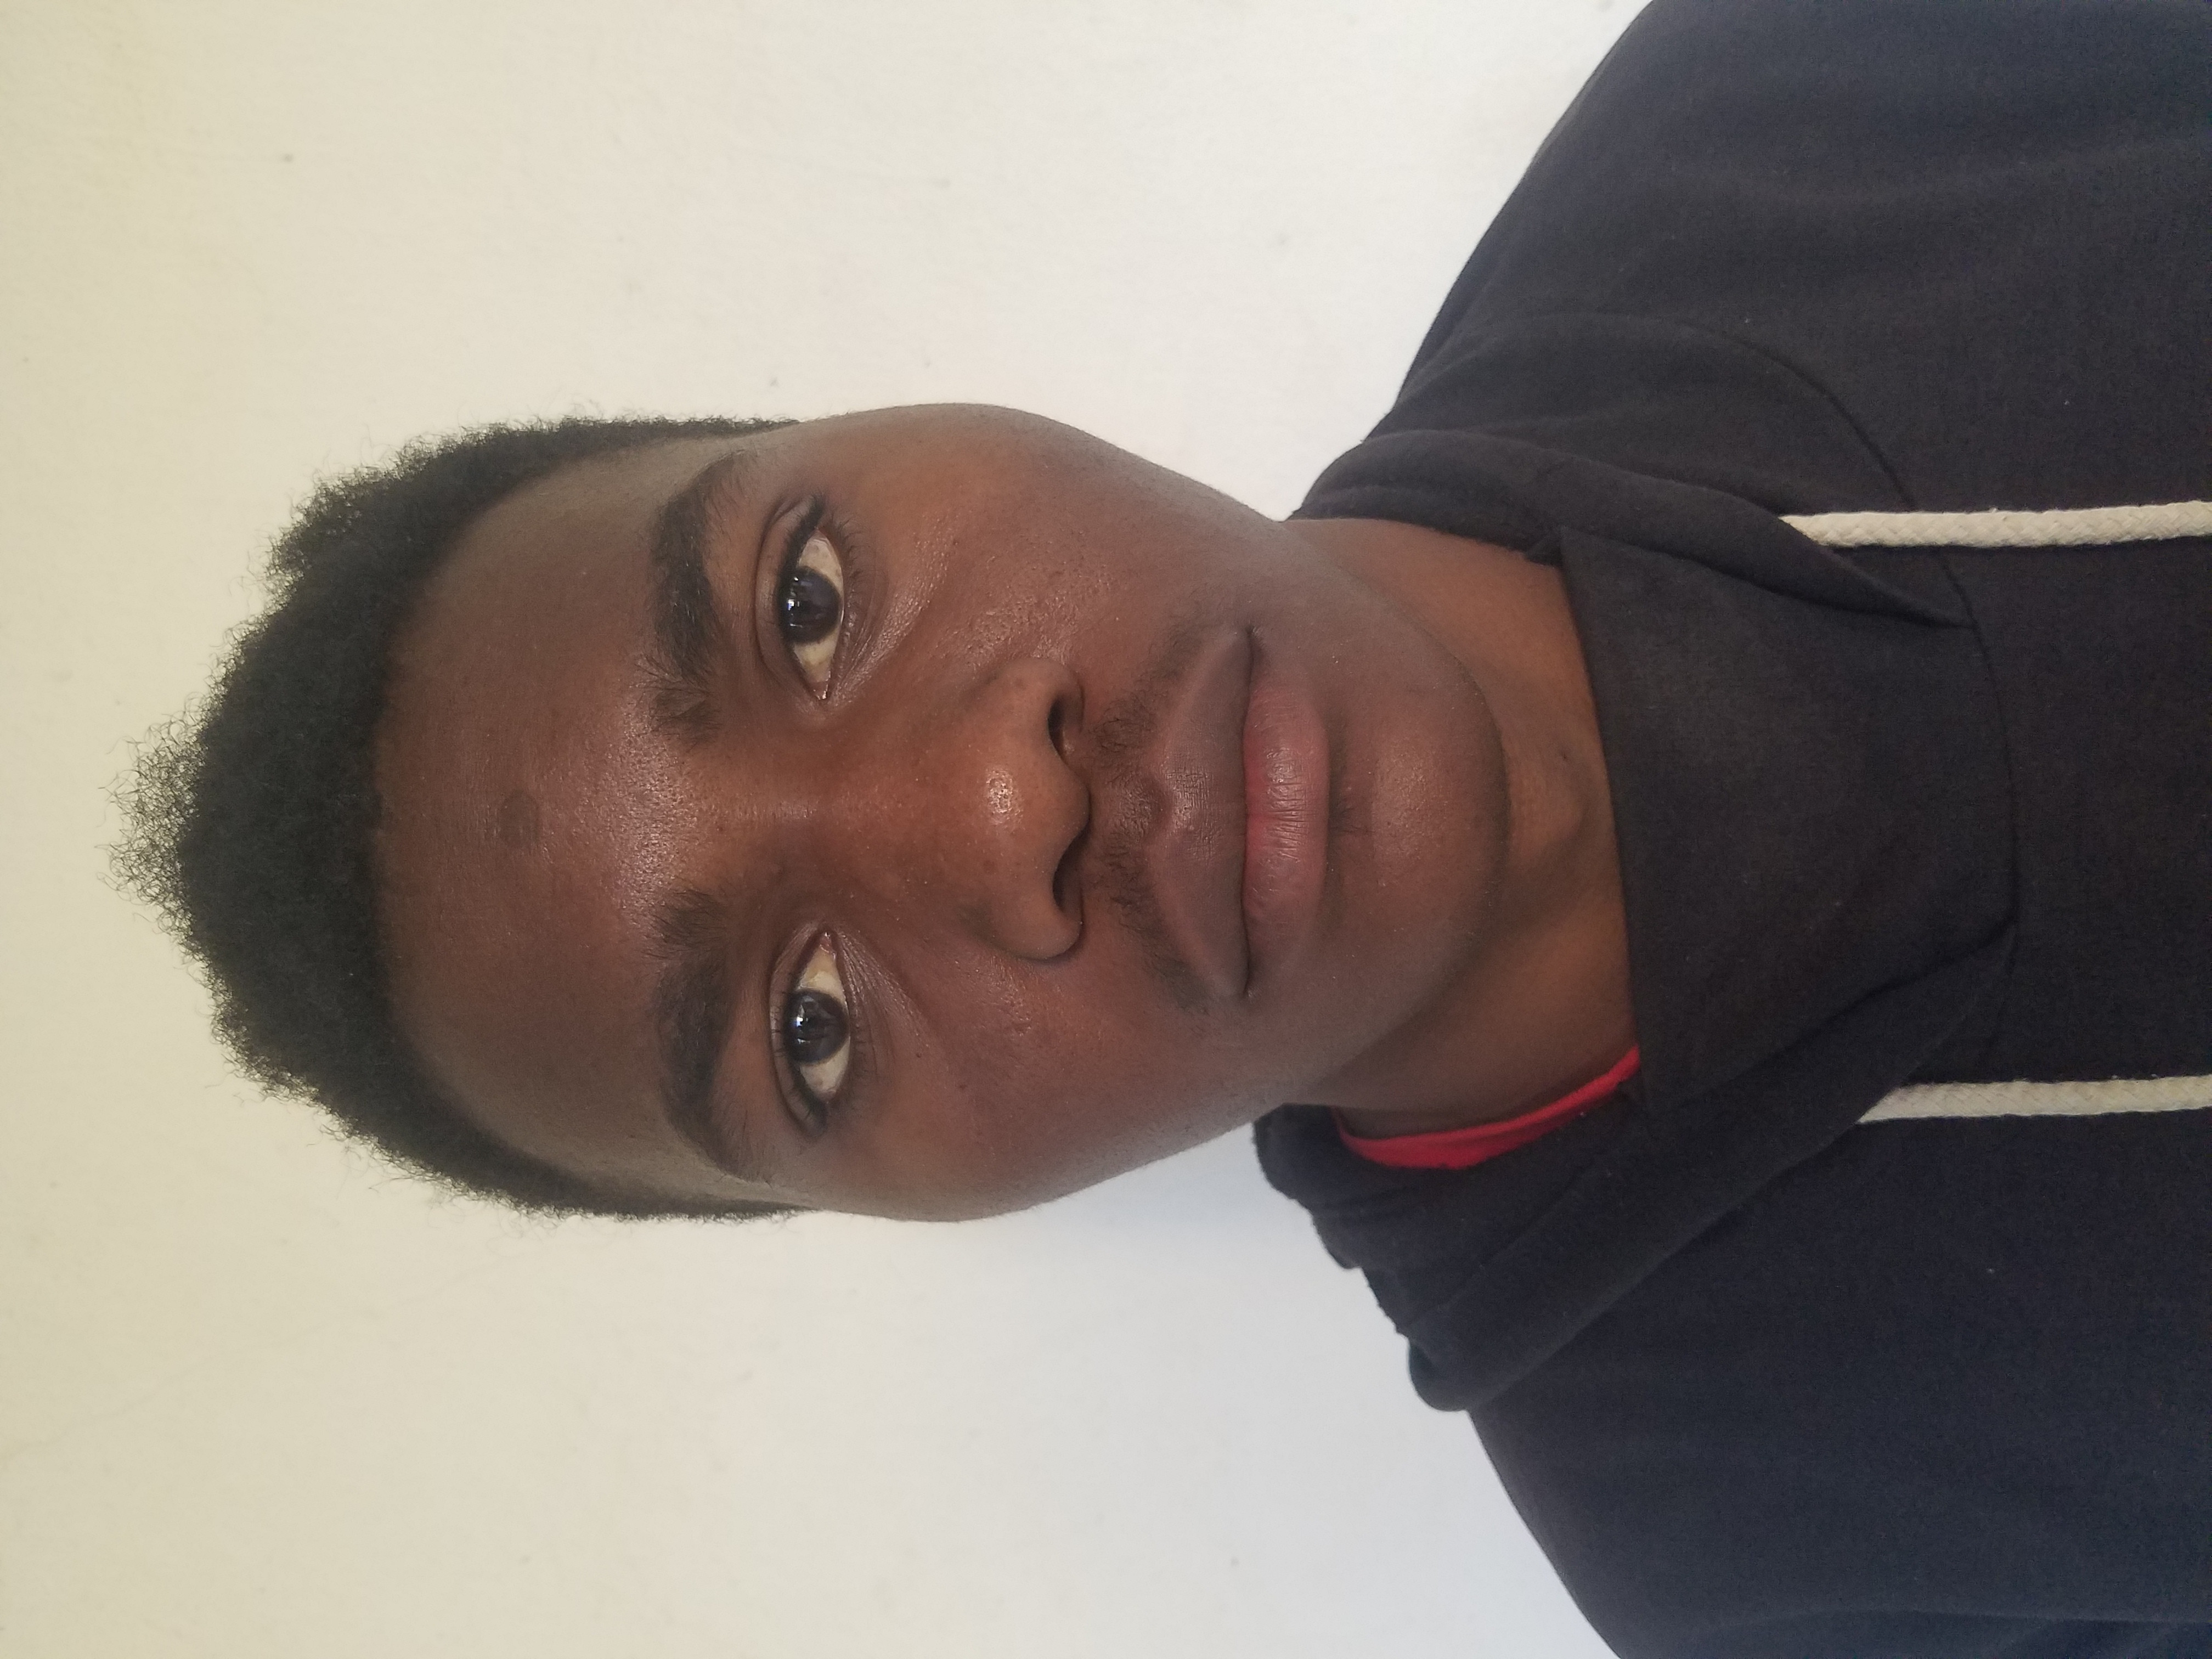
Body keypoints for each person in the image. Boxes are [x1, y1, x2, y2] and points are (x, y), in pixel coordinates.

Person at [120, 0, 2211, 1654]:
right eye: (810, 1029)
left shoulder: (1835, 80)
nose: (998, 804)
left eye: (807, 604)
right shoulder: (1795, 1566)